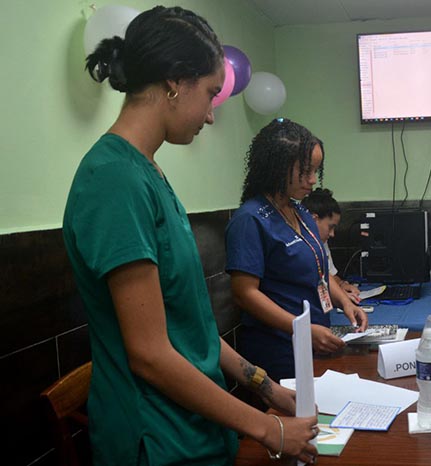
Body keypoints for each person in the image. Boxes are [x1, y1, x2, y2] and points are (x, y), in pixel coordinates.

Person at [63, 7, 318, 465]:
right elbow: (150, 354)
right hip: (157, 438)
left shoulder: (148, 172)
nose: (211, 116)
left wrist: (267, 388)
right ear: (175, 82)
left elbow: (192, 326)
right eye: (210, 94)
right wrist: (268, 428)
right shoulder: (115, 179)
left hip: (196, 430)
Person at [226, 119, 368, 383]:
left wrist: (345, 302)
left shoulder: (300, 212)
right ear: (277, 167)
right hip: (278, 348)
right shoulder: (250, 219)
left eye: (315, 170)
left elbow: (319, 271)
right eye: (304, 171)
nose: (313, 180)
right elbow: (245, 294)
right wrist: (300, 329)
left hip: (314, 342)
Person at [301, 187, 362, 304]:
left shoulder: (322, 242)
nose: (332, 234)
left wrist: (342, 285)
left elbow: (330, 276)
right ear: (314, 219)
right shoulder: (297, 246)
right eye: (330, 227)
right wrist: (340, 297)